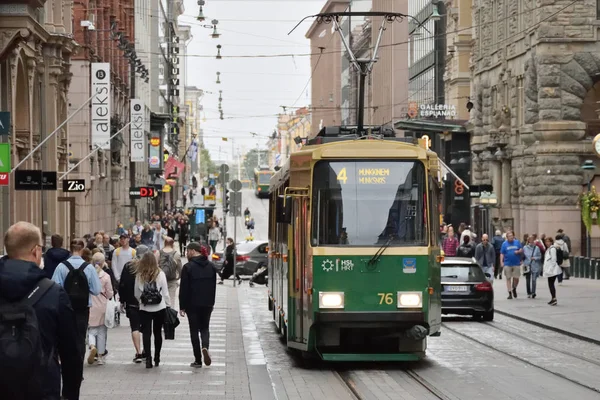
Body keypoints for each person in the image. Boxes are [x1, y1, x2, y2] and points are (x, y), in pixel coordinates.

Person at [0, 222, 82, 400]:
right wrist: (70, 394)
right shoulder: (53, 293)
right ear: (36, 251)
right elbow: (71, 353)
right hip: (42, 388)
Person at [52, 238, 102, 367]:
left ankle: (67, 364)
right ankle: (78, 367)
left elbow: (55, 288)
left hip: (65, 308)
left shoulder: (61, 266)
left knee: (66, 337)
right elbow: (96, 290)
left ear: (70, 248)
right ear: (82, 249)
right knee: (80, 337)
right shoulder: (89, 268)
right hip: (83, 308)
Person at [179, 242, 219, 368]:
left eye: (188, 251)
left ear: (193, 251)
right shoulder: (211, 266)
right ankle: (205, 347)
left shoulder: (188, 267)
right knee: (205, 328)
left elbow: (184, 289)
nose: (186, 253)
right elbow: (213, 286)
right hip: (207, 303)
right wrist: (211, 302)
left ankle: (197, 360)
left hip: (192, 304)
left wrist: (182, 306)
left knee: (194, 330)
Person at [134, 252, 171, 368]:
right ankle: (157, 357)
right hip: (159, 307)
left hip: (145, 308)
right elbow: (165, 292)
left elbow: (136, 293)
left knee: (146, 333)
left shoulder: (139, 275)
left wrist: (142, 301)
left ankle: (148, 359)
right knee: (157, 333)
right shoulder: (160, 274)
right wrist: (168, 305)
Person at [119, 245, 150, 363]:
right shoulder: (149, 266)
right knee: (147, 328)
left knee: (135, 327)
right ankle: (147, 352)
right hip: (147, 302)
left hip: (132, 302)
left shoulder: (128, 266)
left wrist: (122, 300)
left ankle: (138, 352)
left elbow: (122, 284)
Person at [88, 253, 114, 365]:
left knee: (91, 330)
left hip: (91, 305)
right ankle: (100, 357)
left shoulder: (88, 274)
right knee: (102, 331)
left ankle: (92, 346)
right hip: (103, 306)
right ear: (103, 263)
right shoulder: (106, 276)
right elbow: (109, 293)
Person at [159, 236, 183, 304]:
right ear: (173, 244)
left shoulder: (159, 253)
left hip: (160, 279)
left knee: (161, 298)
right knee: (171, 299)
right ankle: (170, 313)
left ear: (164, 243)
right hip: (172, 280)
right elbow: (180, 269)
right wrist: (178, 277)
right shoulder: (176, 254)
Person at [500, 230, 523, 299]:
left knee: (516, 278)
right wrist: (501, 262)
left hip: (516, 263)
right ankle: (510, 293)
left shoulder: (517, 242)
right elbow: (502, 253)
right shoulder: (504, 244)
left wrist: (518, 251)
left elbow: (521, 249)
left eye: (512, 236)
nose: (511, 237)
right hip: (507, 263)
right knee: (508, 278)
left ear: (513, 236)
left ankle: (514, 288)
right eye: (509, 236)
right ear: (507, 237)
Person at [543, 236, 562, 306]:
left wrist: (550, 269)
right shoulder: (549, 249)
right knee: (550, 284)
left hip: (552, 270)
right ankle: (553, 298)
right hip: (550, 269)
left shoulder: (552, 249)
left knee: (551, 284)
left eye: (548, 241)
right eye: (546, 242)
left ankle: (554, 299)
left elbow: (554, 260)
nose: (547, 243)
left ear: (551, 242)